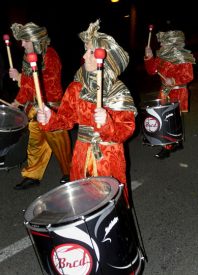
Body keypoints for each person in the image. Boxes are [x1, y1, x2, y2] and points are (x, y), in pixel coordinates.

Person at [37, 19, 137, 203]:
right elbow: (66, 120)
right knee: (83, 203)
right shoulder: (76, 87)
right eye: (86, 50)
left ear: (106, 58)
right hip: (81, 155)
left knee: (110, 206)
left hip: (108, 157)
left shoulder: (118, 90)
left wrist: (108, 122)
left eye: (91, 51)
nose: (84, 56)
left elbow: (127, 129)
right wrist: (50, 117)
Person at [9, 22, 72, 189]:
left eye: (25, 41)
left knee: (61, 147)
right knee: (35, 145)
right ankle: (32, 175)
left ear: (35, 41)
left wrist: (21, 77)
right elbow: (27, 89)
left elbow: (46, 83)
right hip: (36, 110)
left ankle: (70, 173)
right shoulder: (27, 59)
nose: (22, 44)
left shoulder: (50, 56)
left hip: (53, 111)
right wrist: (17, 102)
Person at [144, 29, 195, 159]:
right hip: (165, 91)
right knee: (167, 119)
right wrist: (149, 57)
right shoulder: (161, 57)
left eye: (164, 44)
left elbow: (188, 76)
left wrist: (173, 80)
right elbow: (152, 71)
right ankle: (176, 142)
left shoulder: (183, 57)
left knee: (171, 119)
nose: (161, 46)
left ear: (173, 43)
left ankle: (167, 147)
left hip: (178, 91)